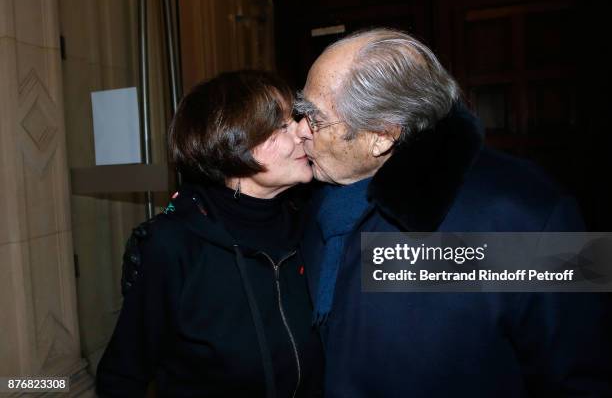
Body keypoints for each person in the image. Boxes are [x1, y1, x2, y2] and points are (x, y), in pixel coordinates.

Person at [292, 28, 612, 397]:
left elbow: (583, 376)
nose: (299, 130)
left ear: (381, 135)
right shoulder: (314, 204)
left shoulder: (529, 216)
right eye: (302, 112)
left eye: (314, 119)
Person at [96, 70, 324, 397]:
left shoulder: (312, 224)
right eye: (282, 125)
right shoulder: (174, 244)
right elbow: (122, 375)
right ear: (232, 143)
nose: (303, 131)